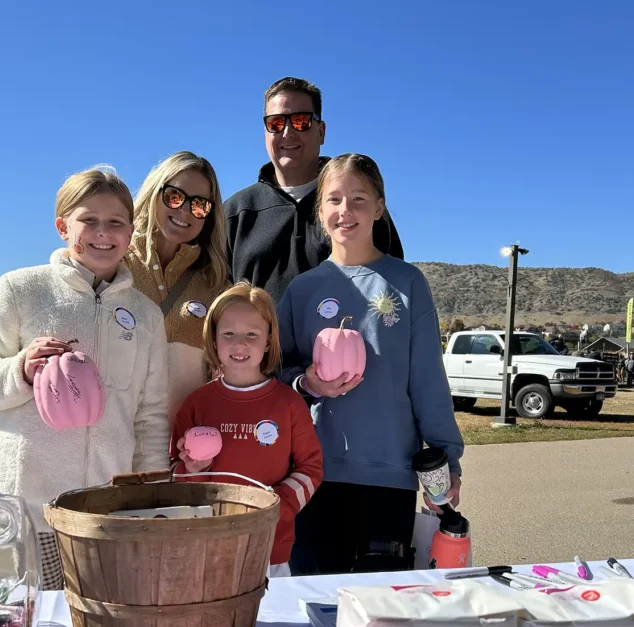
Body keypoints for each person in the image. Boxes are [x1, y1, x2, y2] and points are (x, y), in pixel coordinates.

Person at [0, 166, 170, 590]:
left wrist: (148, 496)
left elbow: (152, 413)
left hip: (106, 507)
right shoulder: (21, 289)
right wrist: (20, 368)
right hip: (29, 507)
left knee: (99, 623)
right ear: (61, 226)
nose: (102, 233)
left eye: (116, 223)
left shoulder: (145, 314)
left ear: (131, 232)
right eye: (89, 220)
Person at [277, 153, 464, 576]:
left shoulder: (407, 282)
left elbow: (428, 383)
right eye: (335, 199)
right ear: (319, 209)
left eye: (359, 199)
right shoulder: (303, 291)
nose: (346, 211)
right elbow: (277, 376)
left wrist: (446, 462)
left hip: (390, 478)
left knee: (383, 616)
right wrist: (306, 383)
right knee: (316, 609)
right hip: (314, 476)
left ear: (379, 207)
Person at [171, 282, 323, 578]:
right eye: (228, 334)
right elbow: (175, 472)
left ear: (268, 341)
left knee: (270, 622)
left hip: (270, 547)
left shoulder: (289, 403)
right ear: (214, 340)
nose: (240, 344)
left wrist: (275, 506)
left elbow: (311, 468)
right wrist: (193, 468)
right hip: (207, 545)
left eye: (252, 334)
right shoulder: (196, 403)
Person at [224, 77, 403, 304]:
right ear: (265, 132)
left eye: (301, 121)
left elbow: (393, 291)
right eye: (276, 123)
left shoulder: (359, 204)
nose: (288, 132)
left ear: (321, 131)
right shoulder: (235, 214)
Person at [124, 152, 231, 425]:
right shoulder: (116, 262)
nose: (184, 210)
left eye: (199, 205)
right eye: (174, 196)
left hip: (185, 449)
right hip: (116, 442)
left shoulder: (216, 285)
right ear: (154, 192)